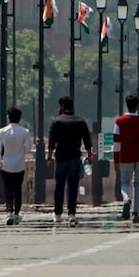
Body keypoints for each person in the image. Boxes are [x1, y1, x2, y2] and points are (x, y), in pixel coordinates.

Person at [47, 96, 93, 227]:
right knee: (73, 188)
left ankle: (57, 214)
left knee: (59, 187)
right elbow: (87, 141)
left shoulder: (56, 122)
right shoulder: (80, 121)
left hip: (60, 158)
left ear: (62, 106)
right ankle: (72, 214)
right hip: (74, 158)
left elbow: (51, 142)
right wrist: (90, 156)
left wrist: (49, 158)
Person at [113, 93, 139, 223]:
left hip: (125, 157)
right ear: (137, 106)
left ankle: (126, 199)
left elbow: (116, 143)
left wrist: (116, 160)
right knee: (138, 184)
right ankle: (136, 213)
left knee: (124, 183)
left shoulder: (119, 121)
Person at [0, 107, 32, 225]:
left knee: (7, 189)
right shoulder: (25, 132)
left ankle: (9, 211)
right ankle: (16, 213)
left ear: (8, 117)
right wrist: (20, 153)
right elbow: (28, 148)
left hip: (6, 164)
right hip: (19, 165)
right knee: (18, 189)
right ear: (20, 118)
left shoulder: (1, 132)